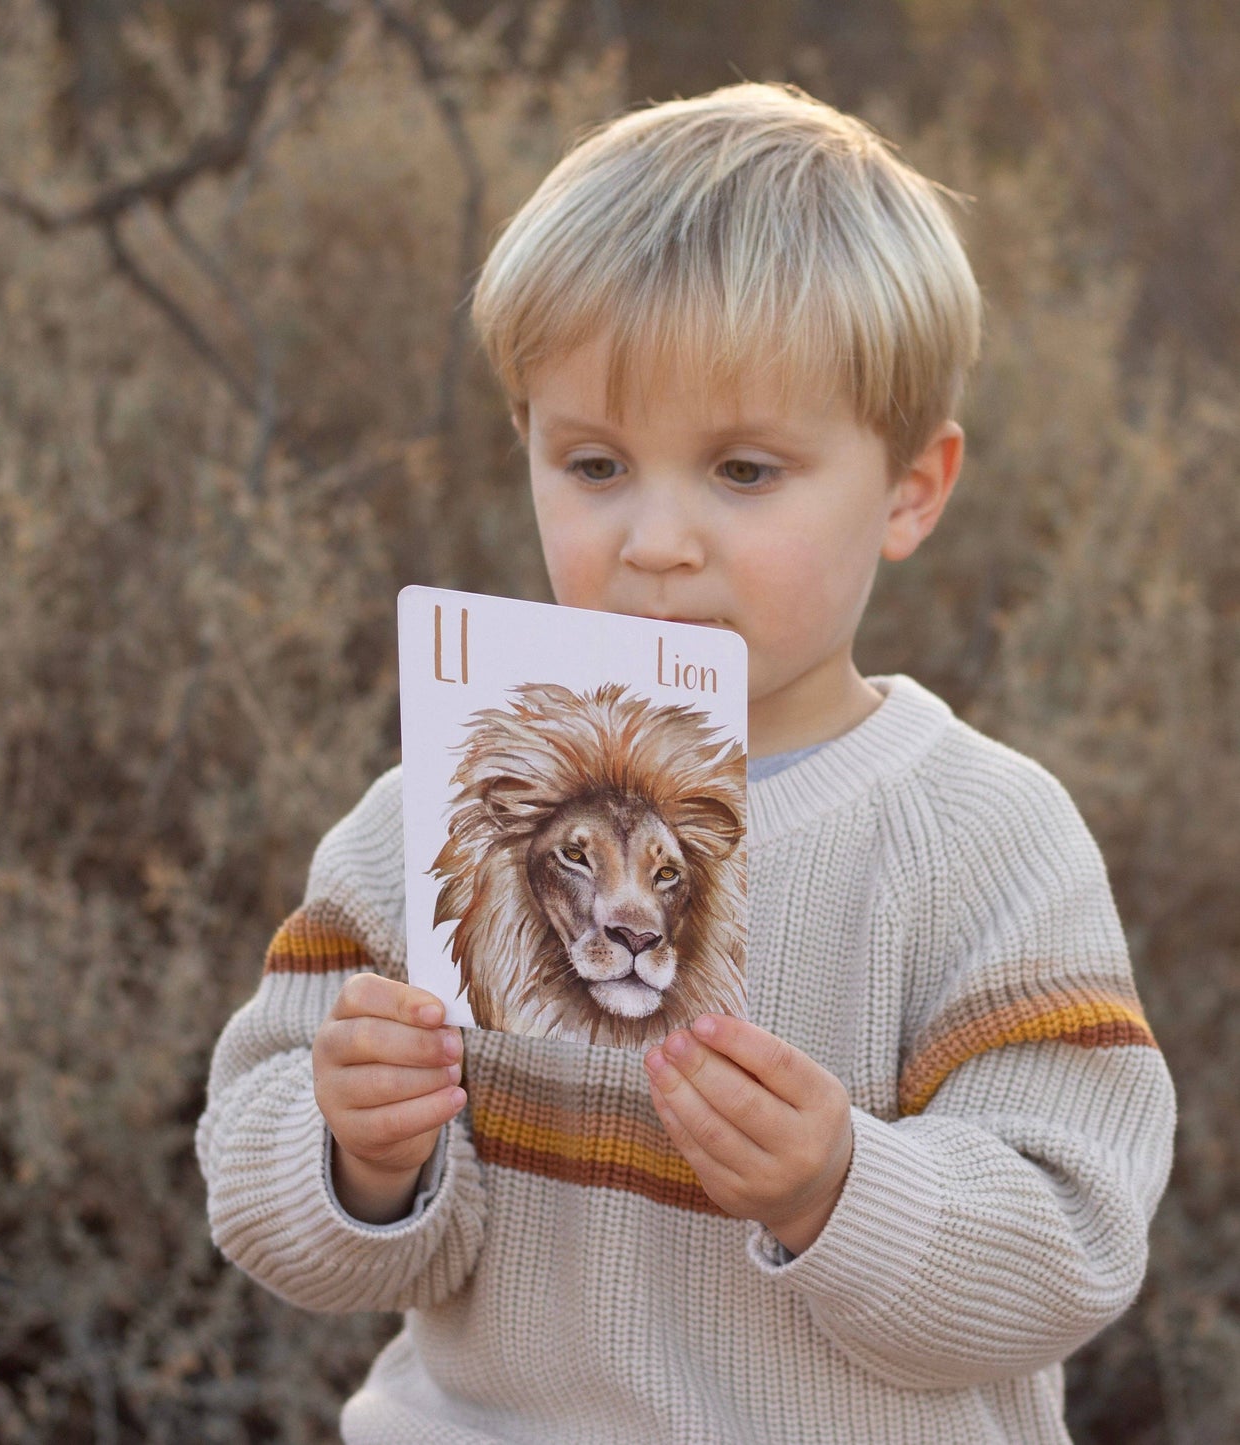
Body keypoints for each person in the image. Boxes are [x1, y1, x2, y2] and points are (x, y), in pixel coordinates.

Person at [196, 82, 1175, 1443]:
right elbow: (270, 1202)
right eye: (593, 464)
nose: (655, 539)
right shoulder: (435, 810)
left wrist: (838, 1184)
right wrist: (360, 1154)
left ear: (910, 487)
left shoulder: (980, 836)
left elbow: (1069, 1243)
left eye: (744, 471)